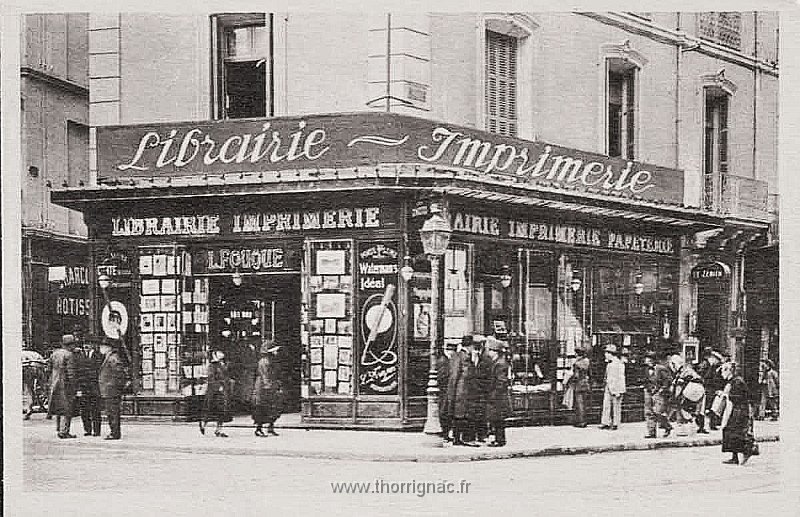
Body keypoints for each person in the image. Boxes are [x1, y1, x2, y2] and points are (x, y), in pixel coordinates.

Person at [720, 361, 758, 465]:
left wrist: (726, 395)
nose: (721, 373)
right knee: (732, 431)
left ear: (729, 371)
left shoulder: (737, 382)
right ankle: (735, 456)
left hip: (740, 410)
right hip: (737, 409)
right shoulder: (734, 381)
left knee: (737, 432)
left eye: (723, 370)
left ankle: (746, 451)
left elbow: (739, 397)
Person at [445, 335, 476, 447]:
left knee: (462, 414)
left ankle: (459, 438)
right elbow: (455, 375)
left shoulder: (462, 356)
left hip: (463, 390)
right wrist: (452, 392)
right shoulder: (461, 356)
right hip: (461, 391)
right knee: (460, 414)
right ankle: (458, 438)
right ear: (470, 346)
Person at [48, 334, 79, 439]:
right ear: (71, 345)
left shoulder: (54, 354)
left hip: (54, 383)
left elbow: (48, 369)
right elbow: (71, 373)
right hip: (65, 385)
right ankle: (64, 431)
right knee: (67, 408)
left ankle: (59, 428)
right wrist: (75, 387)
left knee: (58, 407)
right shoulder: (69, 355)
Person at [98, 339, 129, 440]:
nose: (101, 348)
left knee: (113, 412)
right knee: (111, 412)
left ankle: (115, 432)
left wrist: (118, 386)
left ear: (108, 348)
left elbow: (119, 373)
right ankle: (114, 431)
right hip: (109, 389)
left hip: (112, 389)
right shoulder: (109, 357)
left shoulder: (112, 358)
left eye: (103, 346)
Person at [252, 340, 284, 437]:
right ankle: (259, 428)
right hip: (263, 388)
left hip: (271, 385)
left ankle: (270, 427)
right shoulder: (264, 361)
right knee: (263, 407)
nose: (276, 352)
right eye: (275, 350)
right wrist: (268, 387)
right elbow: (264, 375)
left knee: (273, 407)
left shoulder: (272, 360)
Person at [668, 354, 705, 433]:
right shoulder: (683, 371)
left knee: (687, 410)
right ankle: (685, 427)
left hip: (689, 394)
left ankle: (689, 426)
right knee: (684, 411)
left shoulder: (686, 371)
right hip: (687, 394)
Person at [201, 350, 233, 437]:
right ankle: (203, 423)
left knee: (222, 411)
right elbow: (211, 378)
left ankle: (219, 430)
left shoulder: (222, 364)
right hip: (215, 392)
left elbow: (226, 375)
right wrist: (218, 386)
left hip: (223, 391)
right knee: (211, 410)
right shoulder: (212, 366)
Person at [485, 337, 511, 447]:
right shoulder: (497, 362)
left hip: (498, 397)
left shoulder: (500, 363)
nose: (488, 352)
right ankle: (498, 439)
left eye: (490, 350)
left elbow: (501, 381)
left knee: (498, 420)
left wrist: (493, 395)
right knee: (496, 419)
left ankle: (500, 440)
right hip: (497, 396)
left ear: (495, 351)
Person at [75, 338, 103, 436]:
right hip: (83, 387)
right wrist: (78, 388)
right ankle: (87, 429)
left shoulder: (98, 355)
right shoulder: (79, 356)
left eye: (88, 343)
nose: (86, 346)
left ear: (93, 345)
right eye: (84, 344)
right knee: (84, 410)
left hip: (95, 387)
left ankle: (96, 430)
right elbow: (77, 372)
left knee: (95, 409)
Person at [643, 350, 674, 438]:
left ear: (653, 360)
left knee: (658, 412)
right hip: (648, 392)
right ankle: (651, 432)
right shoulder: (646, 369)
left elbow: (668, 380)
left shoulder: (661, 368)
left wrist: (662, 389)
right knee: (649, 412)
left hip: (658, 393)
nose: (646, 360)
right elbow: (646, 379)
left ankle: (667, 426)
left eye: (648, 358)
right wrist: (645, 387)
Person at [468, 335, 492, 443]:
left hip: (482, 390)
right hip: (472, 390)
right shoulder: (469, 356)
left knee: (481, 413)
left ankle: (482, 435)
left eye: (478, 345)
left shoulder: (486, 358)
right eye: (474, 345)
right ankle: (474, 435)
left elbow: (486, 375)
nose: (476, 347)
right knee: (473, 413)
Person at [600, 344, 625, 430]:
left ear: (611, 354)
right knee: (606, 405)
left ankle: (615, 423)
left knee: (616, 406)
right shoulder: (610, 364)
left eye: (606, 353)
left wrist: (617, 391)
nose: (605, 355)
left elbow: (620, 378)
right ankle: (605, 422)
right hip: (609, 387)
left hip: (616, 388)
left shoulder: (618, 364)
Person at [22, 347, 47, 419]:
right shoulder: (35, 354)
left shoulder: (21, 354)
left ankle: (29, 408)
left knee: (29, 389)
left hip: (27, 368)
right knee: (42, 388)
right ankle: (42, 406)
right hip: (38, 367)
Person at [569, 348, 591, 428]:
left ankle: (581, 421)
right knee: (584, 403)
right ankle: (584, 421)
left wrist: (571, 381)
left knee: (579, 404)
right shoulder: (587, 361)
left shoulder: (577, 364)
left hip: (579, 385)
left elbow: (576, 376)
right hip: (586, 384)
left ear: (577, 354)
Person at [437, 343, 453, 441]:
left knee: (446, 413)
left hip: (446, 391)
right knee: (444, 412)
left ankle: (446, 434)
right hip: (444, 391)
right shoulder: (443, 361)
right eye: (451, 350)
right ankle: (444, 434)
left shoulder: (446, 360)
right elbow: (442, 377)